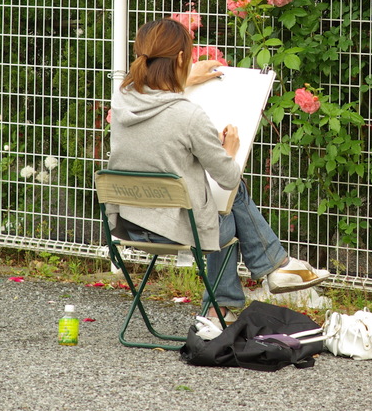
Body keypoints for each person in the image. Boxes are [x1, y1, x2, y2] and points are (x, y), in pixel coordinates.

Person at [107, 17, 328, 322]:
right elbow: (227, 177)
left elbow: (156, 104)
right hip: (176, 231)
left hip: (130, 225)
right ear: (182, 58)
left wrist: (183, 82)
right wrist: (230, 151)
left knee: (221, 210)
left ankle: (228, 301)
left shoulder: (121, 101)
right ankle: (268, 271)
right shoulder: (189, 116)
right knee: (231, 201)